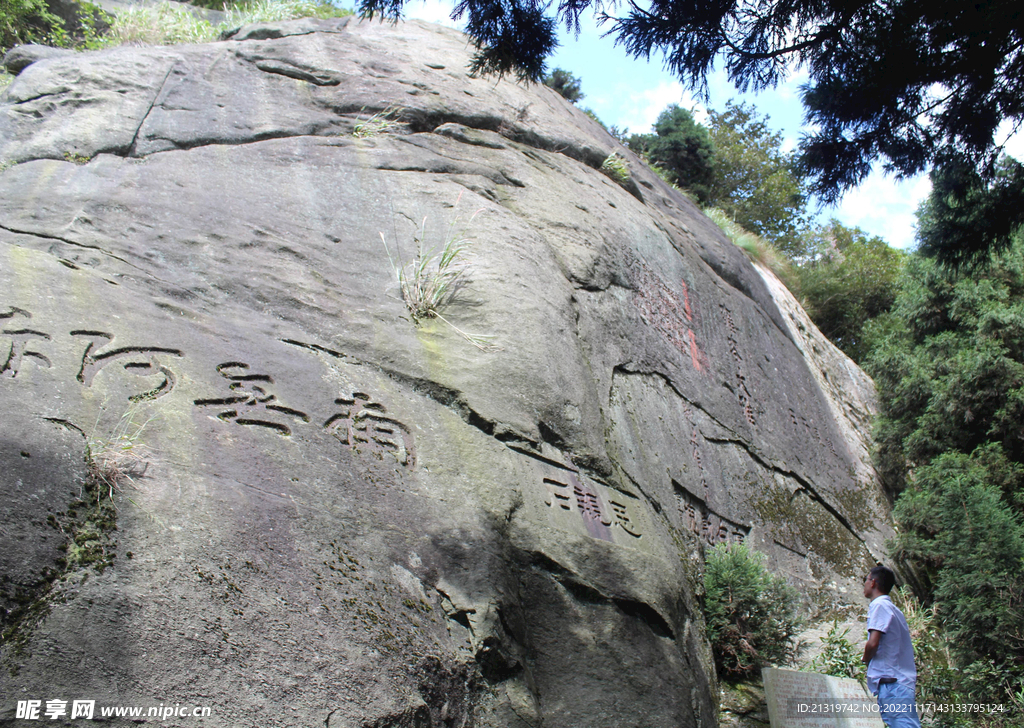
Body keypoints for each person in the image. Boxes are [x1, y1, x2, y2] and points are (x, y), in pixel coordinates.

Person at [863, 565, 921, 727]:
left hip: (892, 683)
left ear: (873, 582)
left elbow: (873, 642)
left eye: (865, 580)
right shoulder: (894, 610)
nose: (865, 584)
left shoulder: (880, 605)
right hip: (897, 681)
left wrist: (865, 660)